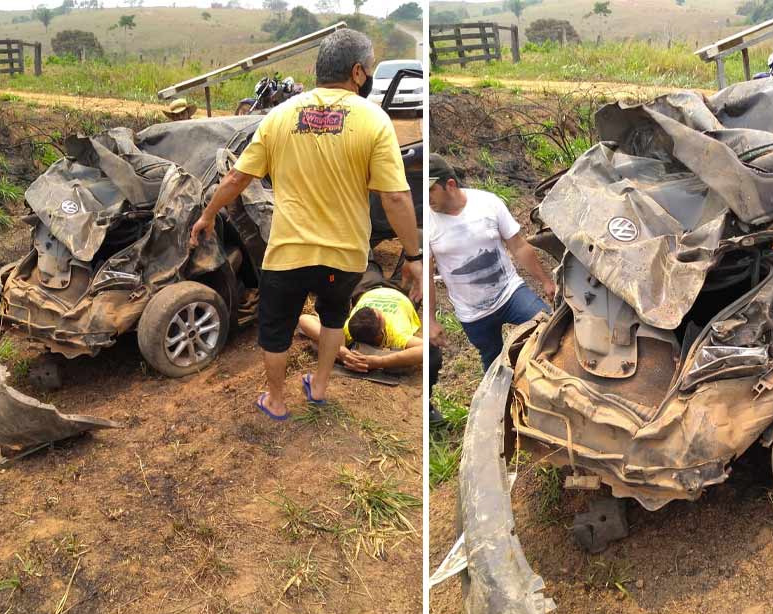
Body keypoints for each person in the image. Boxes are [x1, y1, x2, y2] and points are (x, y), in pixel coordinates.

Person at [190, 28, 422, 421]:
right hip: (345, 255)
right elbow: (396, 197)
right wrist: (413, 255)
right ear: (358, 73)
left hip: (288, 254)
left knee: (276, 328)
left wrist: (208, 215)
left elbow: (236, 179)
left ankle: (277, 401)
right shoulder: (374, 120)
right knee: (333, 317)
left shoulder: (279, 116)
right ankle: (318, 386)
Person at [427, 154, 556, 373]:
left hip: (511, 294)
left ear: (449, 184)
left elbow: (518, 246)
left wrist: (546, 281)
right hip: (473, 313)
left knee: (550, 330)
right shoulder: (428, 222)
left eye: (430, 190)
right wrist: (430, 321)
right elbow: (426, 276)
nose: (426, 197)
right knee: (495, 366)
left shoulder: (487, 203)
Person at [297, 265, 423, 374]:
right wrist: (380, 362)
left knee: (365, 257)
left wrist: (339, 349)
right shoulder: (394, 335)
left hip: (368, 288)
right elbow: (425, 349)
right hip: (402, 293)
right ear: (382, 332)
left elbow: (304, 319)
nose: (377, 309)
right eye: (379, 314)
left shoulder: (348, 330)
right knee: (414, 254)